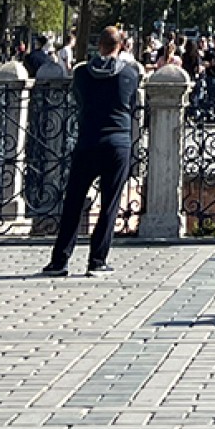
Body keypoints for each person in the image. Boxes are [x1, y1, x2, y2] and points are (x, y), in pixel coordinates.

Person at [40, 26, 141, 276]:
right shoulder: (129, 74)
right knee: (109, 203)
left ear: (99, 46)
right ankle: (97, 260)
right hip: (117, 142)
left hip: (87, 141)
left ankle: (60, 260)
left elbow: (79, 100)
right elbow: (132, 105)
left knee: (73, 201)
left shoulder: (82, 74)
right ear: (121, 46)